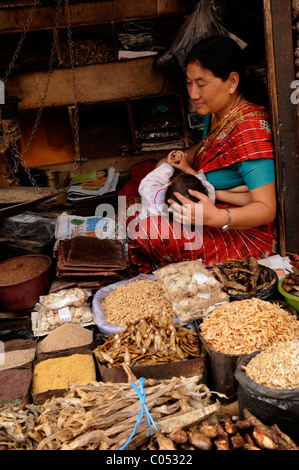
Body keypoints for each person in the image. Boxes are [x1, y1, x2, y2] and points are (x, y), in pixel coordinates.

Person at [127, 36, 277, 272]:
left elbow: (267, 210)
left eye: (201, 83)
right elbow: (205, 147)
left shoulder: (250, 129)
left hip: (243, 232)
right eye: (189, 83)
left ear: (232, 81)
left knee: (146, 233)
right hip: (209, 207)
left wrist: (216, 218)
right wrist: (174, 160)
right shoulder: (218, 114)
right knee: (142, 185)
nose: (193, 94)